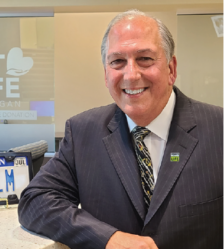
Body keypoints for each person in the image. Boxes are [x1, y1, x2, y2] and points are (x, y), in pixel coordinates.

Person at [18, 9, 223, 249]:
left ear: (171, 69)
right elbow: (36, 200)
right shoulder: (83, 132)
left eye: (145, 58)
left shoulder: (218, 128)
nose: (131, 74)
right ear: (106, 75)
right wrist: (108, 238)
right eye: (117, 62)